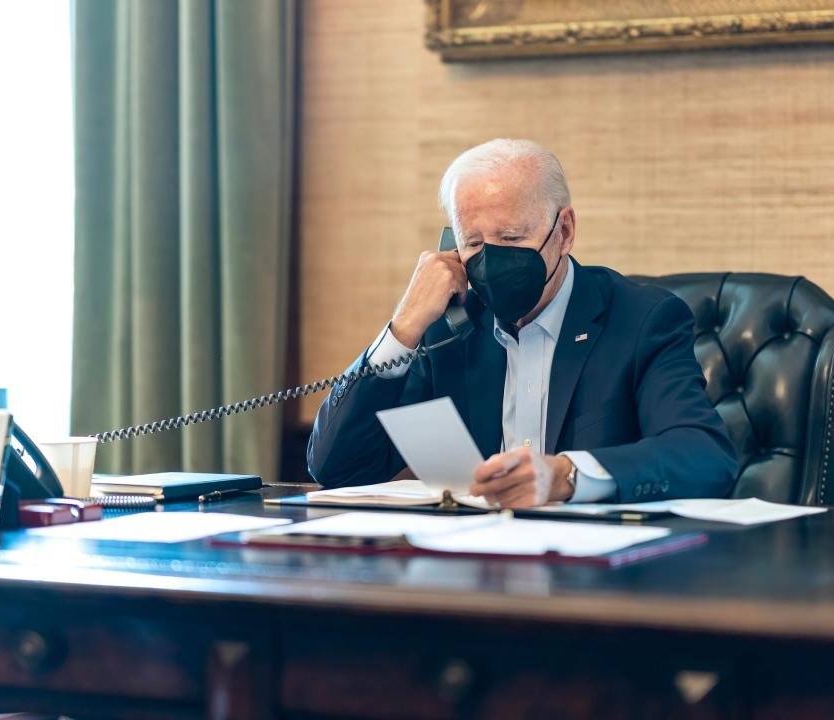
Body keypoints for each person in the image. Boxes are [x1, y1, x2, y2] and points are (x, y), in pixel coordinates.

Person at [307, 138, 737, 507]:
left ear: (564, 231)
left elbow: (704, 457)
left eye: (512, 238)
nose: (492, 259)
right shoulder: (448, 328)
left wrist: (565, 476)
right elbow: (338, 466)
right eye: (473, 242)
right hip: (471, 569)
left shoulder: (643, 320)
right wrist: (403, 328)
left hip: (595, 577)